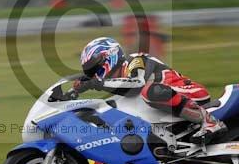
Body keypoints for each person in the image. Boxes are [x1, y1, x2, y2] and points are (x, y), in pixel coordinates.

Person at [74, 37, 226, 143]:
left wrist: (95, 83)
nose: (95, 73)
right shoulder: (119, 84)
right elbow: (124, 88)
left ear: (110, 55)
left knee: (150, 91)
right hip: (168, 104)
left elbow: (135, 83)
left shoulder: (135, 60)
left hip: (189, 92)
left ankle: (210, 122)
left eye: (96, 67)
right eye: (91, 72)